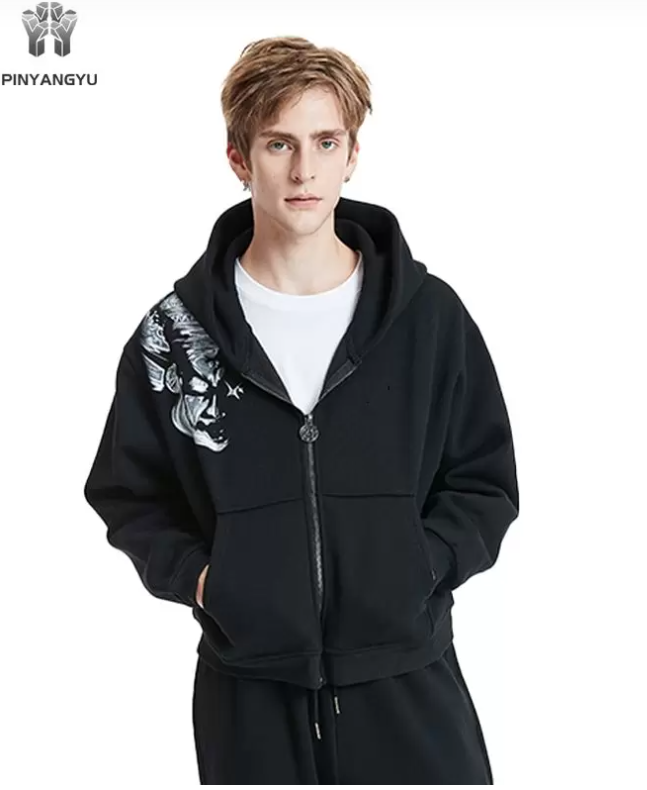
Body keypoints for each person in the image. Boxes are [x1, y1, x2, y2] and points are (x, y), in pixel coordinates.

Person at [83, 35, 520, 785]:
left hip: (407, 682)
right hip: (250, 700)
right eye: (278, 143)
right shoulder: (175, 336)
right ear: (238, 158)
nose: (303, 171)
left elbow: (483, 480)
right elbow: (129, 494)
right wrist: (208, 582)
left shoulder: (428, 319)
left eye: (325, 142)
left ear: (352, 155)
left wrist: (419, 567)